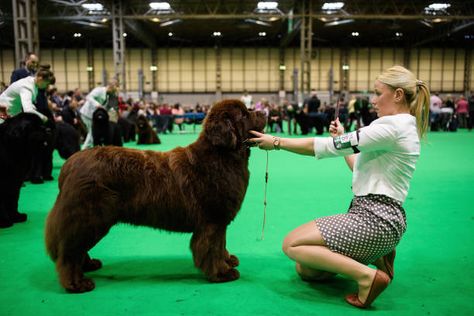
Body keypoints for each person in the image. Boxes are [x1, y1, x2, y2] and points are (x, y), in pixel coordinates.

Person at [249, 65, 430, 309]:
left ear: (398, 95)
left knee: (291, 244)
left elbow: (322, 147)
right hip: (387, 221)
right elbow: (357, 167)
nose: (373, 101)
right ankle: (379, 254)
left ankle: (368, 277)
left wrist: (277, 142)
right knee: (306, 270)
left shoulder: (391, 126)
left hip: (374, 219)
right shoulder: (402, 127)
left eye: (378, 93)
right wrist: (341, 137)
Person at [79, 80, 119, 149]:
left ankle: (87, 149)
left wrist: (113, 110)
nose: (114, 92)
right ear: (110, 87)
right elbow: (88, 97)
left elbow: (106, 106)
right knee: (92, 133)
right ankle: (84, 150)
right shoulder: (99, 90)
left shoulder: (108, 95)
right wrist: (97, 104)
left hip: (95, 116)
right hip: (87, 114)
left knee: (92, 133)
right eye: (114, 90)